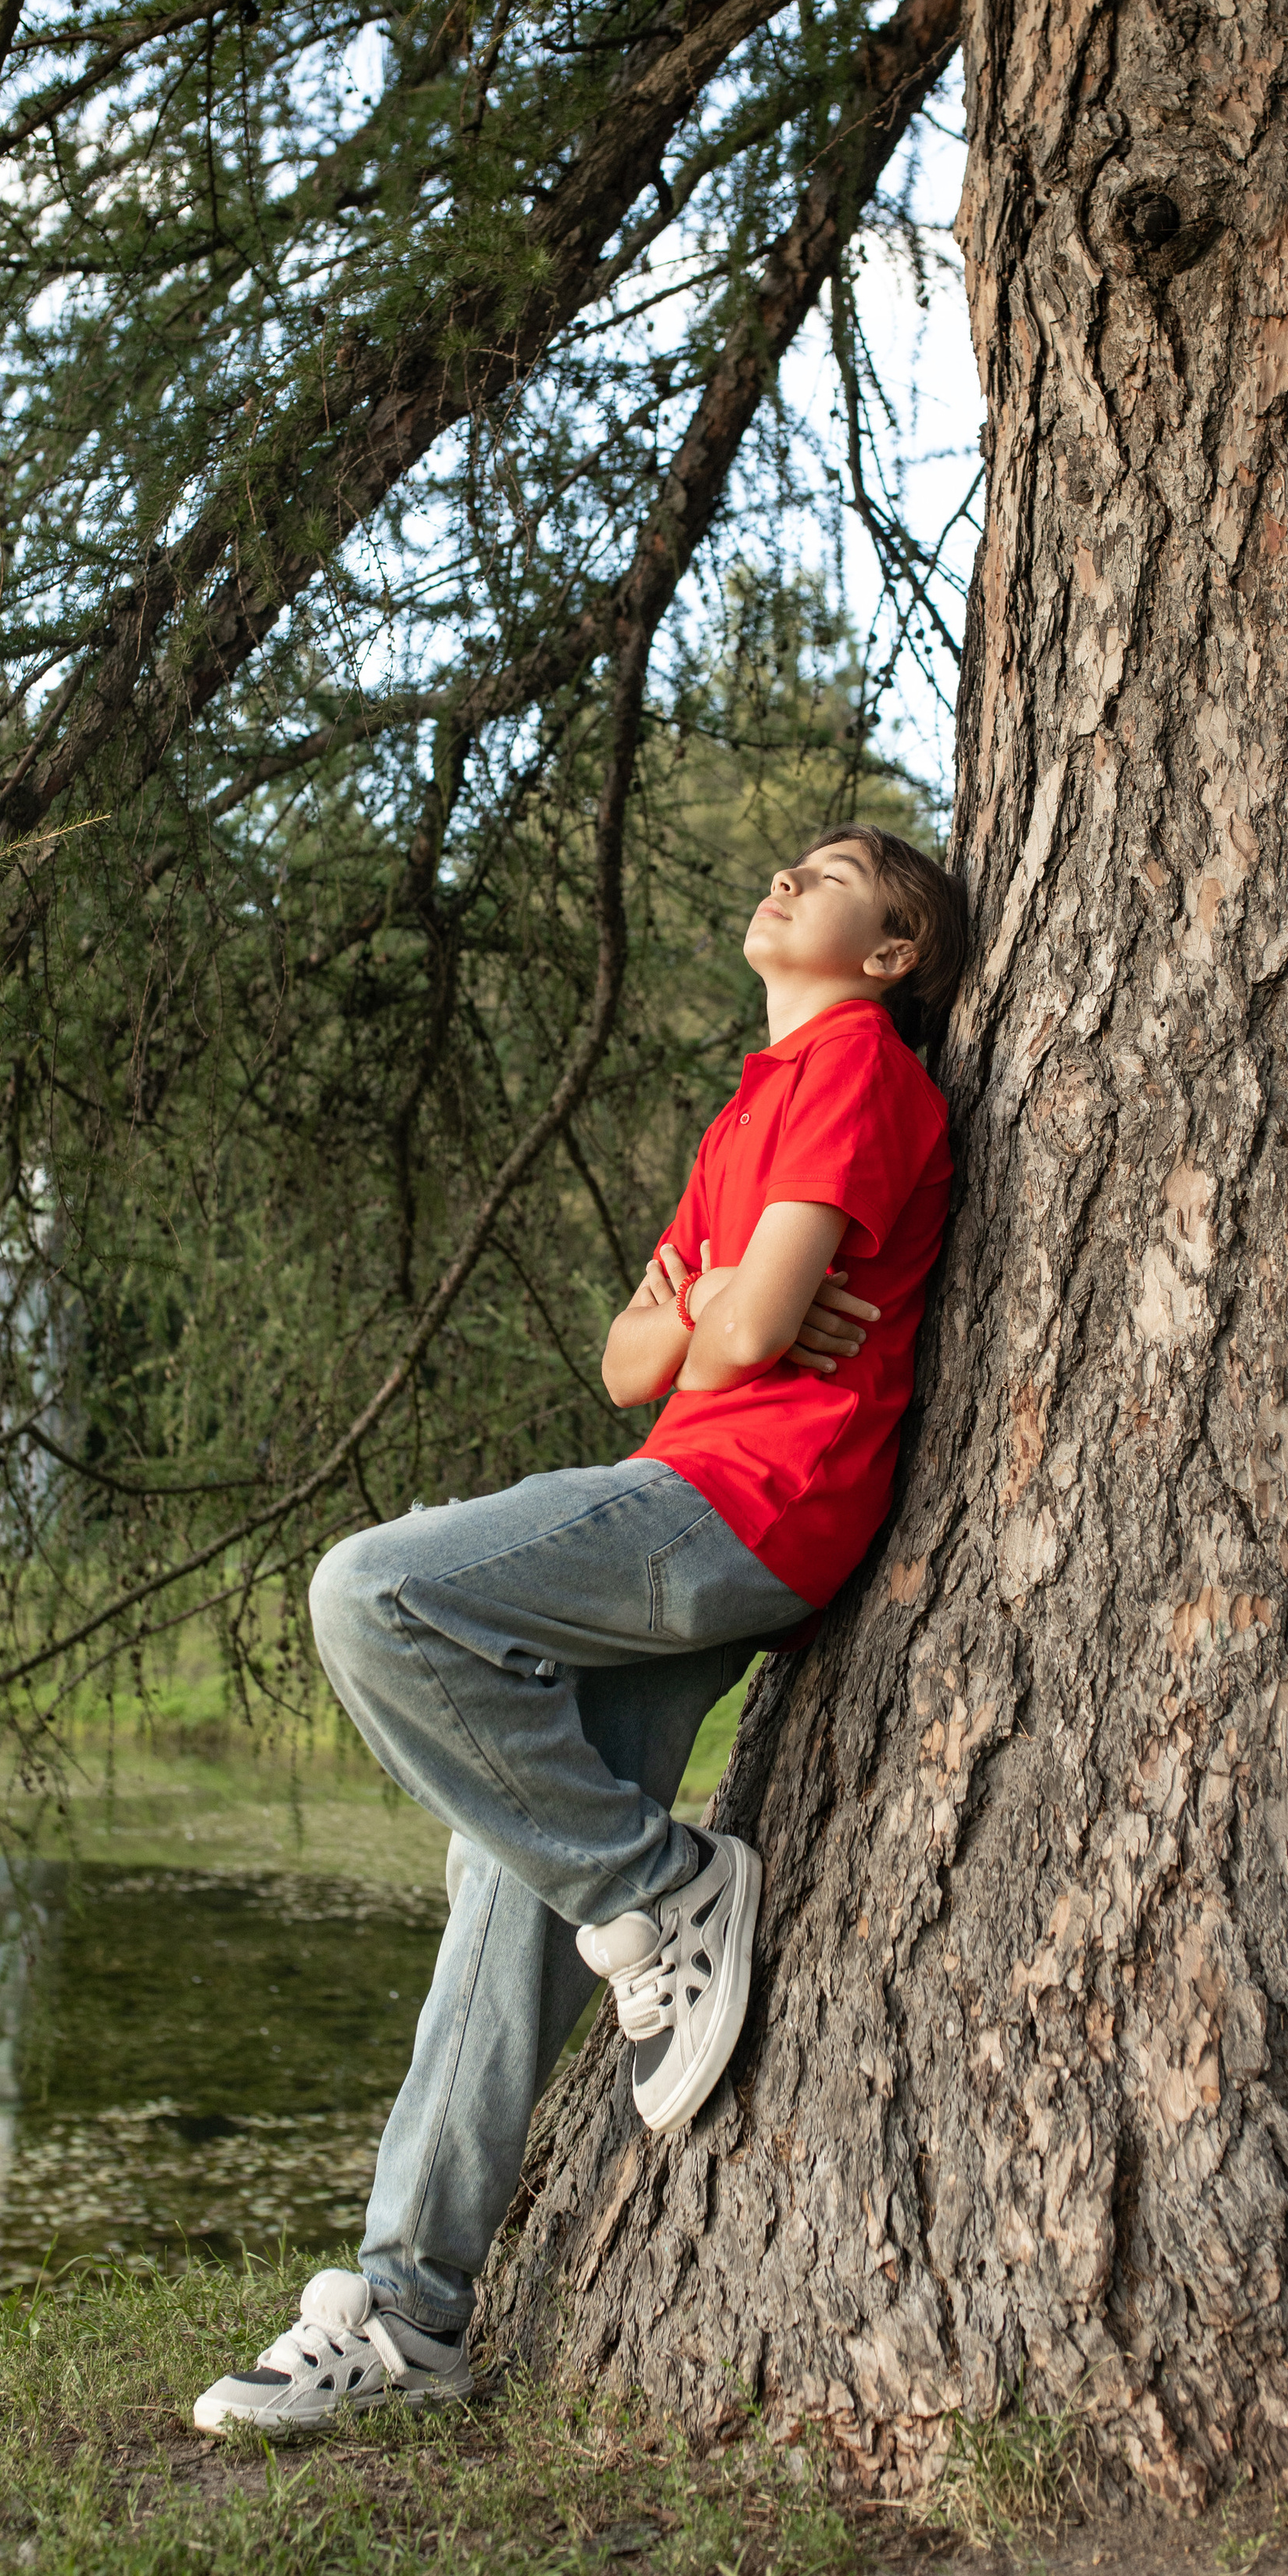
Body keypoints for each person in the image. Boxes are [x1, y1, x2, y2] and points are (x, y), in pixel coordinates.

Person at [192, 824, 967, 2428]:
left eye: (829, 874)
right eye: (788, 862)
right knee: (503, 1886)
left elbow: (738, 1330)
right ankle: (410, 2314)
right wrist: (717, 1314)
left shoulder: (854, 1068)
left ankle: (661, 1888)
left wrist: (720, 1311)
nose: (784, 878)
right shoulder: (752, 1105)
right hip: (685, 1485)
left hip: (748, 1500)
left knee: (374, 1590)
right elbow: (635, 1362)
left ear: (891, 955)